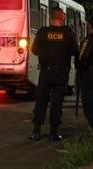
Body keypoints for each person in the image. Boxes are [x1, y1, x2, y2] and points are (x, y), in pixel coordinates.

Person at [29, 7, 78, 141]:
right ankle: (53, 132)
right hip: (61, 73)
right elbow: (75, 51)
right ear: (62, 18)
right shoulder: (68, 33)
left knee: (41, 101)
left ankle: (36, 130)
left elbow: (34, 50)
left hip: (45, 72)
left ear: (51, 18)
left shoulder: (42, 32)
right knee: (57, 103)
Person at [78, 16, 93, 129]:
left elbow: (82, 58)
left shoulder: (88, 40)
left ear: (89, 26)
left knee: (88, 101)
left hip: (90, 75)